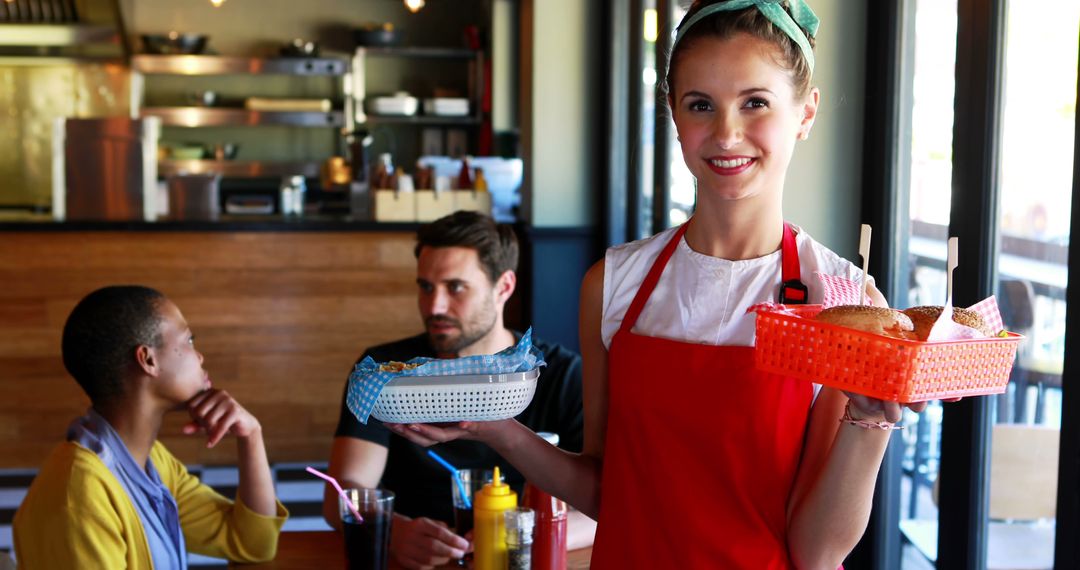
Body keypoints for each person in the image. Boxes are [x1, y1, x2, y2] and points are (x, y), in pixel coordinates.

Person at [383, 2, 934, 569]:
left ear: (806, 112)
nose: (727, 133)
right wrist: (497, 429)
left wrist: (872, 421)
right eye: (701, 105)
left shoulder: (844, 302)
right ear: (674, 114)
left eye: (755, 103)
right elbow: (607, 491)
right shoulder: (616, 283)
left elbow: (816, 552)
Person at [324, 211, 596, 570]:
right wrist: (392, 531)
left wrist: (507, 537)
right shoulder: (382, 372)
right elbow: (342, 492)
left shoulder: (561, 375)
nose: (434, 306)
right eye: (425, 287)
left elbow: (603, 506)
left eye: (455, 287)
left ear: (504, 287)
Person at [14, 286, 287, 569]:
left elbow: (252, 544)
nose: (200, 356)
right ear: (148, 360)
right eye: (189, 340)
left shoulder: (151, 460)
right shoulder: (80, 495)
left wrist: (251, 436)